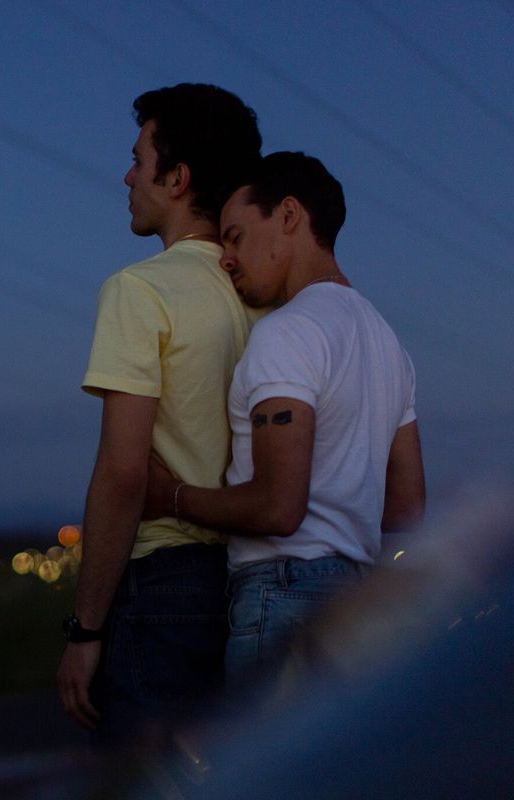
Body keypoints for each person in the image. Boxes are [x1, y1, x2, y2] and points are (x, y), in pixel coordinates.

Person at [144, 151, 426, 698]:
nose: (226, 258)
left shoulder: (287, 332)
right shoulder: (389, 345)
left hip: (282, 597)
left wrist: (170, 497)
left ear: (289, 216)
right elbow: (407, 509)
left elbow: (278, 507)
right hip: (355, 605)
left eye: (235, 236)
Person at [57, 83, 263, 745]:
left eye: (139, 159)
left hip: (162, 587)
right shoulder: (265, 297)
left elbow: (122, 474)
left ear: (177, 178)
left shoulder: (139, 290)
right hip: (249, 581)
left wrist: (86, 629)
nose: (126, 175)